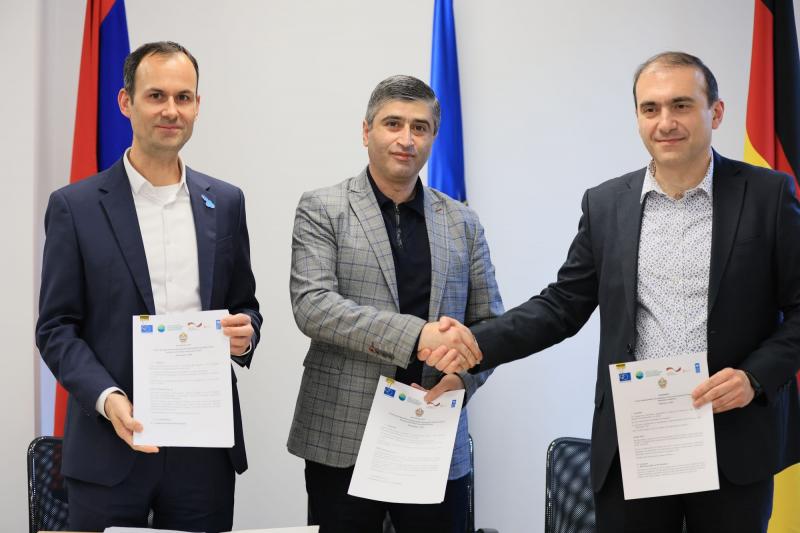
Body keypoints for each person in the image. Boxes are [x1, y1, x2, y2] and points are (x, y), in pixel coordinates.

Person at [432, 51, 800, 532]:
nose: (665, 122)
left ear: (716, 112)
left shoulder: (769, 195)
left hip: (733, 437)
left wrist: (754, 377)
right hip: (636, 441)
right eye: (650, 108)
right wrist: (475, 343)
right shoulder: (606, 204)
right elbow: (562, 306)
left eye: (681, 105)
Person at [36, 41, 262, 533]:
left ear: (197, 105)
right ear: (126, 102)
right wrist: (108, 398)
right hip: (109, 442)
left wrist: (246, 333)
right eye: (156, 95)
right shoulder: (75, 207)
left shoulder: (225, 202)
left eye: (184, 97)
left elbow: (245, 305)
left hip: (202, 451)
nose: (171, 110)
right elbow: (56, 328)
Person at [288, 74, 502, 533]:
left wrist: (463, 380)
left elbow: (489, 324)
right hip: (342, 435)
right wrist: (418, 335)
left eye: (420, 127)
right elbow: (313, 306)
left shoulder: (463, 222)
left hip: (434, 431)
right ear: (366, 131)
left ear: (432, 137)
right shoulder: (323, 208)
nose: (406, 139)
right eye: (393, 124)